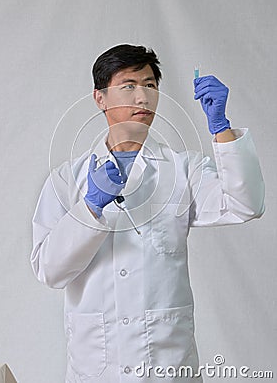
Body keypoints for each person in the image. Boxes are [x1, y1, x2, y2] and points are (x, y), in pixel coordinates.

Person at [30, 44, 265, 383]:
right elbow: (50, 271)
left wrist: (221, 128)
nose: (143, 98)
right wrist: (90, 208)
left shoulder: (183, 170)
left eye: (150, 85)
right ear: (100, 98)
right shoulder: (67, 180)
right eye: (129, 85)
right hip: (96, 368)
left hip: (167, 367)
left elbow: (246, 204)